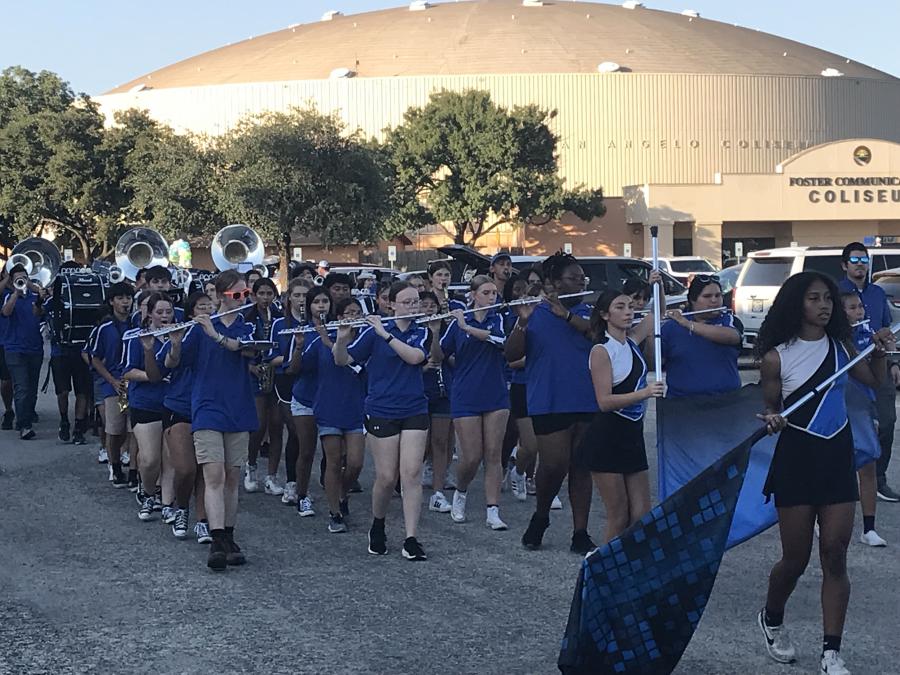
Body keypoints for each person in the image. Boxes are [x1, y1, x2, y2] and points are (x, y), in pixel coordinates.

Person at [755, 271, 893, 675]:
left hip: (836, 455)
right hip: (796, 459)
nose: (824, 305)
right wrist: (772, 418)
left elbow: (874, 380)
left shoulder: (842, 346)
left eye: (828, 298)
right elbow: (770, 407)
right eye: (814, 298)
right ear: (796, 303)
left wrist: (880, 351)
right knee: (795, 559)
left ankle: (831, 652)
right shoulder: (776, 356)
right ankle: (771, 617)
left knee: (835, 553)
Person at [164, 269, 259, 571]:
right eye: (236, 295)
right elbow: (173, 364)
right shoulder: (199, 328)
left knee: (232, 477)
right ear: (219, 296)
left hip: (239, 408)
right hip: (207, 408)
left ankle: (229, 536)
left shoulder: (249, 325)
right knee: (214, 474)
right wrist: (175, 343)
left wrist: (215, 335)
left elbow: (244, 350)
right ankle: (216, 539)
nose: (242, 299)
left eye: (245, 294)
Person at [504, 252, 598, 554]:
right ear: (555, 283)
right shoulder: (535, 312)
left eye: (582, 278)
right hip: (549, 398)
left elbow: (598, 336)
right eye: (574, 278)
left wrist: (566, 315)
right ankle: (541, 514)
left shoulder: (589, 313)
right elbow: (511, 354)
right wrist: (522, 322)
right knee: (554, 464)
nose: (581, 282)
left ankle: (580, 532)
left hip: (587, 398)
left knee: (582, 466)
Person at [333, 281, 432, 560]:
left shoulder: (421, 330)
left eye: (416, 301)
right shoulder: (372, 332)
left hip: (414, 408)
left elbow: (415, 358)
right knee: (387, 477)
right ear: (392, 304)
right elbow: (342, 360)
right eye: (407, 302)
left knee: (411, 474)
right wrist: (341, 339)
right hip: (381, 409)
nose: (413, 307)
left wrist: (385, 334)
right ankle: (378, 524)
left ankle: (411, 538)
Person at [578, 289, 663, 543]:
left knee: (641, 514)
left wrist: (656, 284)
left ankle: (631, 562)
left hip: (632, 436)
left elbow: (656, 312)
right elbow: (604, 402)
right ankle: (603, 564)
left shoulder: (632, 342)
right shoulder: (602, 350)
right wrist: (645, 393)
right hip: (607, 437)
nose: (628, 312)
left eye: (630, 307)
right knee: (618, 514)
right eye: (620, 307)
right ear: (605, 314)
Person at [429, 275, 510, 529]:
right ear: (473, 295)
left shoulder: (498, 319)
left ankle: (493, 510)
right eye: (486, 293)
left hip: (495, 393)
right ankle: (461, 491)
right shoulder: (456, 324)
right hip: (466, 395)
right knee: (472, 456)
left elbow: (500, 341)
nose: (491, 297)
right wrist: (435, 332)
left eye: (494, 293)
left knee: (494, 453)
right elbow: (439, 356)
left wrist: (466, 327)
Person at [836, 242, 900, 503]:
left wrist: (893, 362)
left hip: (880, 364)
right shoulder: (835, 292)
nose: (860, 264)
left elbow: (887, 329)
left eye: (864, 259)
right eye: (855, 260)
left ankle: (879, 479)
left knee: (886, 422)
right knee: (849, 428)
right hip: (849, 370)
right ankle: (845, 482)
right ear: (845, 265)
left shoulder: (877, 292)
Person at [153, 292, 215, 540]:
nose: (207, 311)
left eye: (210, 307)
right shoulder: (183, 333)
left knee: (206, 469)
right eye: (201, 308)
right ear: (191, 313)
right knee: (186, 468)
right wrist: (176, 344)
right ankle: (181, 508)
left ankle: (203, 519)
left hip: (210, 407)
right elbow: (165, 366)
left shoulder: (219, 335)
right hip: (180, 406)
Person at [304, 297, 367, 533]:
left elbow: (353, 364)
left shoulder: (366, 339)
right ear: (339, 317)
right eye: (350, 312)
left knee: (355, 463)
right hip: (329, 406)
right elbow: (303, 366)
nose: (354, 317)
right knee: (333, 461)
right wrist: (301, 345)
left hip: (355, 406)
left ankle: (342, 493)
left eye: (358, 312)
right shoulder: (321, 340)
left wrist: (327, 341)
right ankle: (335, 513)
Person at [841, 292, 887, 547]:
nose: (858, 312)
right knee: (837, 465)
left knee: (868, 464)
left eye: (860, 307)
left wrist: (880, 353)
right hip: (838, 406)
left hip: (865, 405)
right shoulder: (832, 338)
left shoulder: (868, 334)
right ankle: (822, 519)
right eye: (852, 307)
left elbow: (876, 378)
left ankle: (869, 528)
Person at [124, 293, 174, 522]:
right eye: (159, 312)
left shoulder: (179, 335)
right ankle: (148, 493)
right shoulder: (137, 337)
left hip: (173, 403)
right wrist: (153, 376)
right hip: (145, 402)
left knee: (170, 458)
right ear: (150, 314)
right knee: (150, 458)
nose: (165, 316)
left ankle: (168, 502)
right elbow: (128, 371)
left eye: (168, 312)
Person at [285, 287, 333, 518]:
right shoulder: (301, 331)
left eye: (325, 301)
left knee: (335, 455)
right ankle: (302, 495)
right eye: (317, 302)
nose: (321, 306)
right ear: (309, 306)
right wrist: (299, 347)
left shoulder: (338, 329)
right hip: (305, 398)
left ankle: (337, 498)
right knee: (306, 451)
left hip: (332, 398)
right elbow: (292, 369)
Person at [659, 275, 743, 397]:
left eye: (718, 295)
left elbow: (732, 337)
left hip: (727, 400)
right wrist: (651, 330)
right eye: (707, 296)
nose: (714, 300)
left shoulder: (730, 320)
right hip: (682, 402)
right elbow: (654, 362)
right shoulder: (671, 327)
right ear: (692, 300)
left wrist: (688, 324)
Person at [268, 277, 311, 505]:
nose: (302, 300)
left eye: (305, 295)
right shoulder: (279, 324)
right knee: (295, 432)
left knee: (314, 436)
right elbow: (270, 357)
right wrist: (291, 360)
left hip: (312, 380)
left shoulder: (318, 321)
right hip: (286, 381)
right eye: (297, 295)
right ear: (289, 298)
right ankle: (292, 483)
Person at [91, 282, 135, 486]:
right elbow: (94, 358)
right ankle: (115, 466)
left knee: (134, 430)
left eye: (128, 297)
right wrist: (112, 381)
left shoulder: (137, 324)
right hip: (116, 386)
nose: (125, 302)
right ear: (111, 302)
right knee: (115, 429)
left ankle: (133, 470)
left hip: (135, 384)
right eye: (120, 298)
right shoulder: (105, 328)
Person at [243, 277, 284, 495]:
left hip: (276, 373)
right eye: (261, 294)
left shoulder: (279, 317)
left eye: (269, 294)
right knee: (258, 425)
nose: (265, 298)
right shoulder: (246, 317)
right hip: (255, 372)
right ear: (254, 295)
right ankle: (251, 467)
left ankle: (272, 476)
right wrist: (251, 366)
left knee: (276, 425)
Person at [419, 292, 454, 513]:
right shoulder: (413, 331)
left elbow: (440, 356)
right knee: (421, 445)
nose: (429, 309)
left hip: (442, 392)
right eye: (424, 305)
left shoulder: (444, 331)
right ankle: (408, 483)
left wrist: (435, 333)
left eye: (433, 305)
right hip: (419, 392)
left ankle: (438, 492)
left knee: (441, 442)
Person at [1, 265, 46, 440]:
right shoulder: (8, 296)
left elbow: (39, 314)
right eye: (18, 279)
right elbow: (6, 312)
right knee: (21, 387)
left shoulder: (35, 297)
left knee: (32, 388)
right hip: (14, 349)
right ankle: (24, 425)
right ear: (12, 281)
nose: (21, 281)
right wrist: (15, 294)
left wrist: (39, 296)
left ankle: (25, 416)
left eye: (24, 278)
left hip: (34, 348)